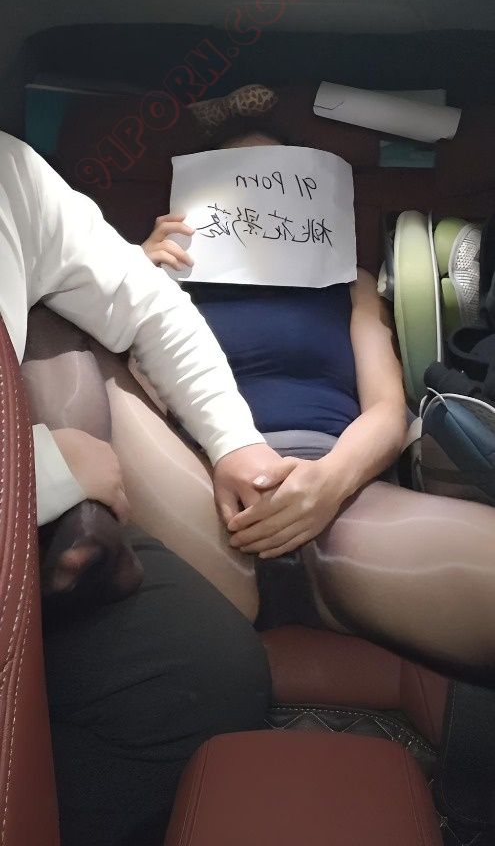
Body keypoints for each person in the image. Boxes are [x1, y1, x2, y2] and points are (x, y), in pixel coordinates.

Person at [0, 129, 277, 846]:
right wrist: (41, 472)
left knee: (206, 673)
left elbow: (148, 303)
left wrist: (234, 440)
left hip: (30, 506)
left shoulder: (11, 173)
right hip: (26, 487)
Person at [140, 128, 495, 685]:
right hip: (197, 488)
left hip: (339, 494)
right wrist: (133, 276)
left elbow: (387, 409)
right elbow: (132, 404)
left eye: (273, 178)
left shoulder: (351, 284)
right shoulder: (161, 285)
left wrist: (326, 486)